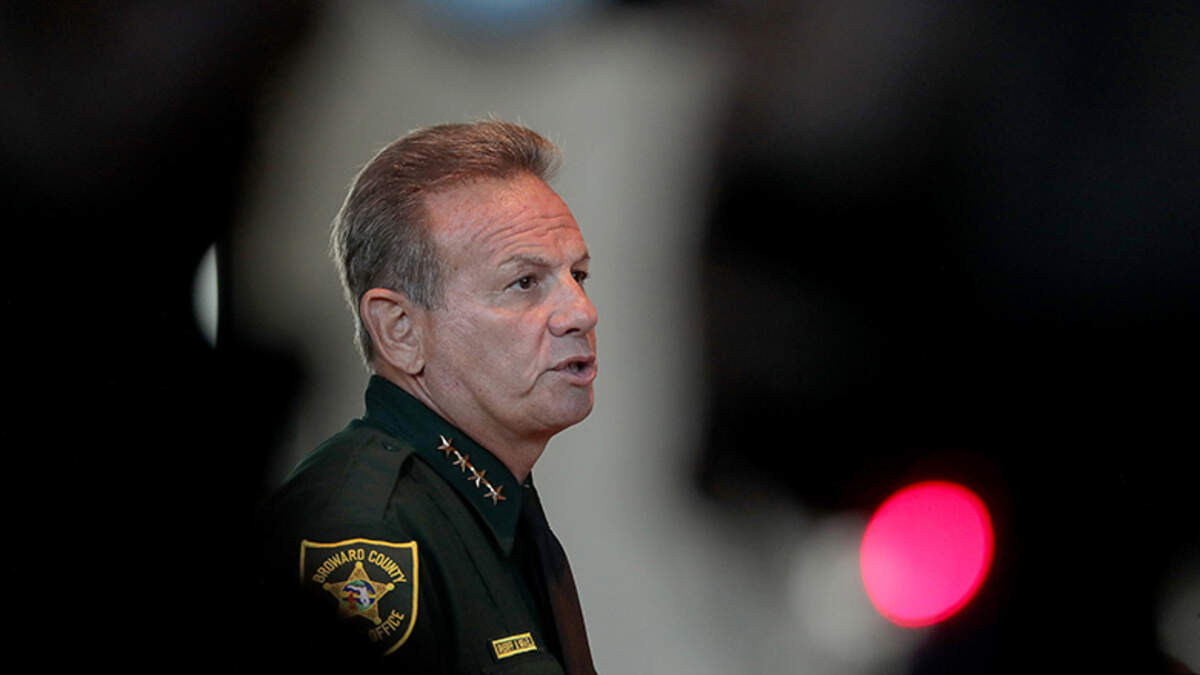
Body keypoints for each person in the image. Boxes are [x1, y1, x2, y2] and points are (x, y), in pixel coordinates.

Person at [260, 120, 599, 674]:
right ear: (399, 330)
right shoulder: (365, 533)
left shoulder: (482, 501)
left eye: (577, 275)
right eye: (524, 283)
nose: (581, 313)